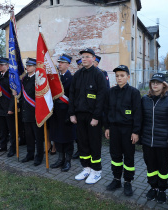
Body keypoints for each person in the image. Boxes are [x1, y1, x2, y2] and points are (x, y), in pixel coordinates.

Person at [140, 73, 168, 203]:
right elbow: (140, 120)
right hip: (147, 141)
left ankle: (162, 189)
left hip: (163, 143)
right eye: (153, 82)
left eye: (158, 82)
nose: (155, 85)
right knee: (150, 167)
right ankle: (153, 187)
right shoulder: (145, 99)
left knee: (163, 169)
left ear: (164, 85)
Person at [69, 48, 106, 184]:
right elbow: (72, 95)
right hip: (79, 116)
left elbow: (102, 97)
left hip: (93, 117)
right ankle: (86, 168)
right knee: (83, 143)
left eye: (87, 56)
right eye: (82, 57)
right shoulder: (78, 75)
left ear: (93, 58)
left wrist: (96, 117)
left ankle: (96, 171)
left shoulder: (98, 75)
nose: (84, 59)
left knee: (94, 144)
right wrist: (72, 114)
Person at [104, 65, 141, 196]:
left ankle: (128, 182)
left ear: (128, 77)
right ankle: (116, 179)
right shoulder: (111, 92)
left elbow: (137, 114)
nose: (119, 78)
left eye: (122, 75)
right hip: (114, 129)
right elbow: (107, 110)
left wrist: (136, 132)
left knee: (129, 157)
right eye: (117, 76)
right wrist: (107, 127)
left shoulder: (134, 92)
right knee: (115, 156)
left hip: (128, 130)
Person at [49, 54, 75, 172]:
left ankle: (68, 161)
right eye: (59, 62)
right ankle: (60, 159)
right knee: (57, 137)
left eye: (62, 63)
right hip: (56, 113)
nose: (59, 64)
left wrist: (71, 114)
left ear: (68, 64)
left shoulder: (72, 79)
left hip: (66, 113)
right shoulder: (55, 78)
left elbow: (73, 98)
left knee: (67, 138)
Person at [20, 58, 44, 166]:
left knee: (38, 137)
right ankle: (30, 154)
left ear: (35, 67)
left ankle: (39, 156)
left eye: (30, 65)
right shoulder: (25, 79)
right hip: (26, 112)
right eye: (27, 65)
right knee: (29, 136)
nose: (27, 67)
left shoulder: (38, 79)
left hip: (35, 113)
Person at [0, 57, 16, 157]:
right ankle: (3, 146)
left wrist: (11, 108)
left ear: (7, 65)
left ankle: (13, 148)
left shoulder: (11, 76)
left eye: (1, 65)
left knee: (11, 130)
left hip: (8, 108)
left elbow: (13, 94)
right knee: (2, 130)